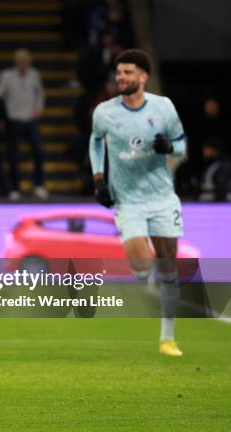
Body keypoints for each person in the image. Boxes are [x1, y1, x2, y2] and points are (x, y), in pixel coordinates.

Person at [89, 49, 187, 356]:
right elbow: (94, 141)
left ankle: (167, 339)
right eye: (119, 72)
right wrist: (99, 178)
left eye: (128, 72)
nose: (121, 77)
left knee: (169, 266)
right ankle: (146, 278)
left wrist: (170, 146)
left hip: (161, 198)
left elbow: (182, 144)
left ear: (143, 76)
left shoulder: (163, 107)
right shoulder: (105, 112)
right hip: (128, 200)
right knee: (141, 262)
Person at [0, 48, 47, 200]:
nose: (24, 64)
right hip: (13, 120)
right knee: (13, 155)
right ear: (16, 63)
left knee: (39, 151)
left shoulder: (34, 75)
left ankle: (39, 185)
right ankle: (15, 188)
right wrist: (3, 117)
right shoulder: (7, 76)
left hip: (31, 120)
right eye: (21, 62)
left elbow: (40, 94)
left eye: (26, 62)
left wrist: (38, 110)